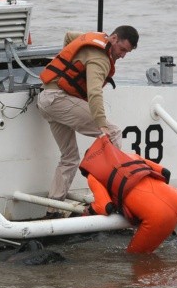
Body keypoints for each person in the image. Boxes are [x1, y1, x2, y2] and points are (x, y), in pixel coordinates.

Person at [37, 25, 139, 217]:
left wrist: (66, 70)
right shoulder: (100, 59)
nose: (123, 56)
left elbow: (69, 37)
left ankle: (52, 211)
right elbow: (94, 93)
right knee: (114, 132)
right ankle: (114, 196)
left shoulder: (95, 38)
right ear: (114, 39)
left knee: (69, 157)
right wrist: (101, 125)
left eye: (128, 53)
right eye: (122, 49)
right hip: (58, 100)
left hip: (46, 99)